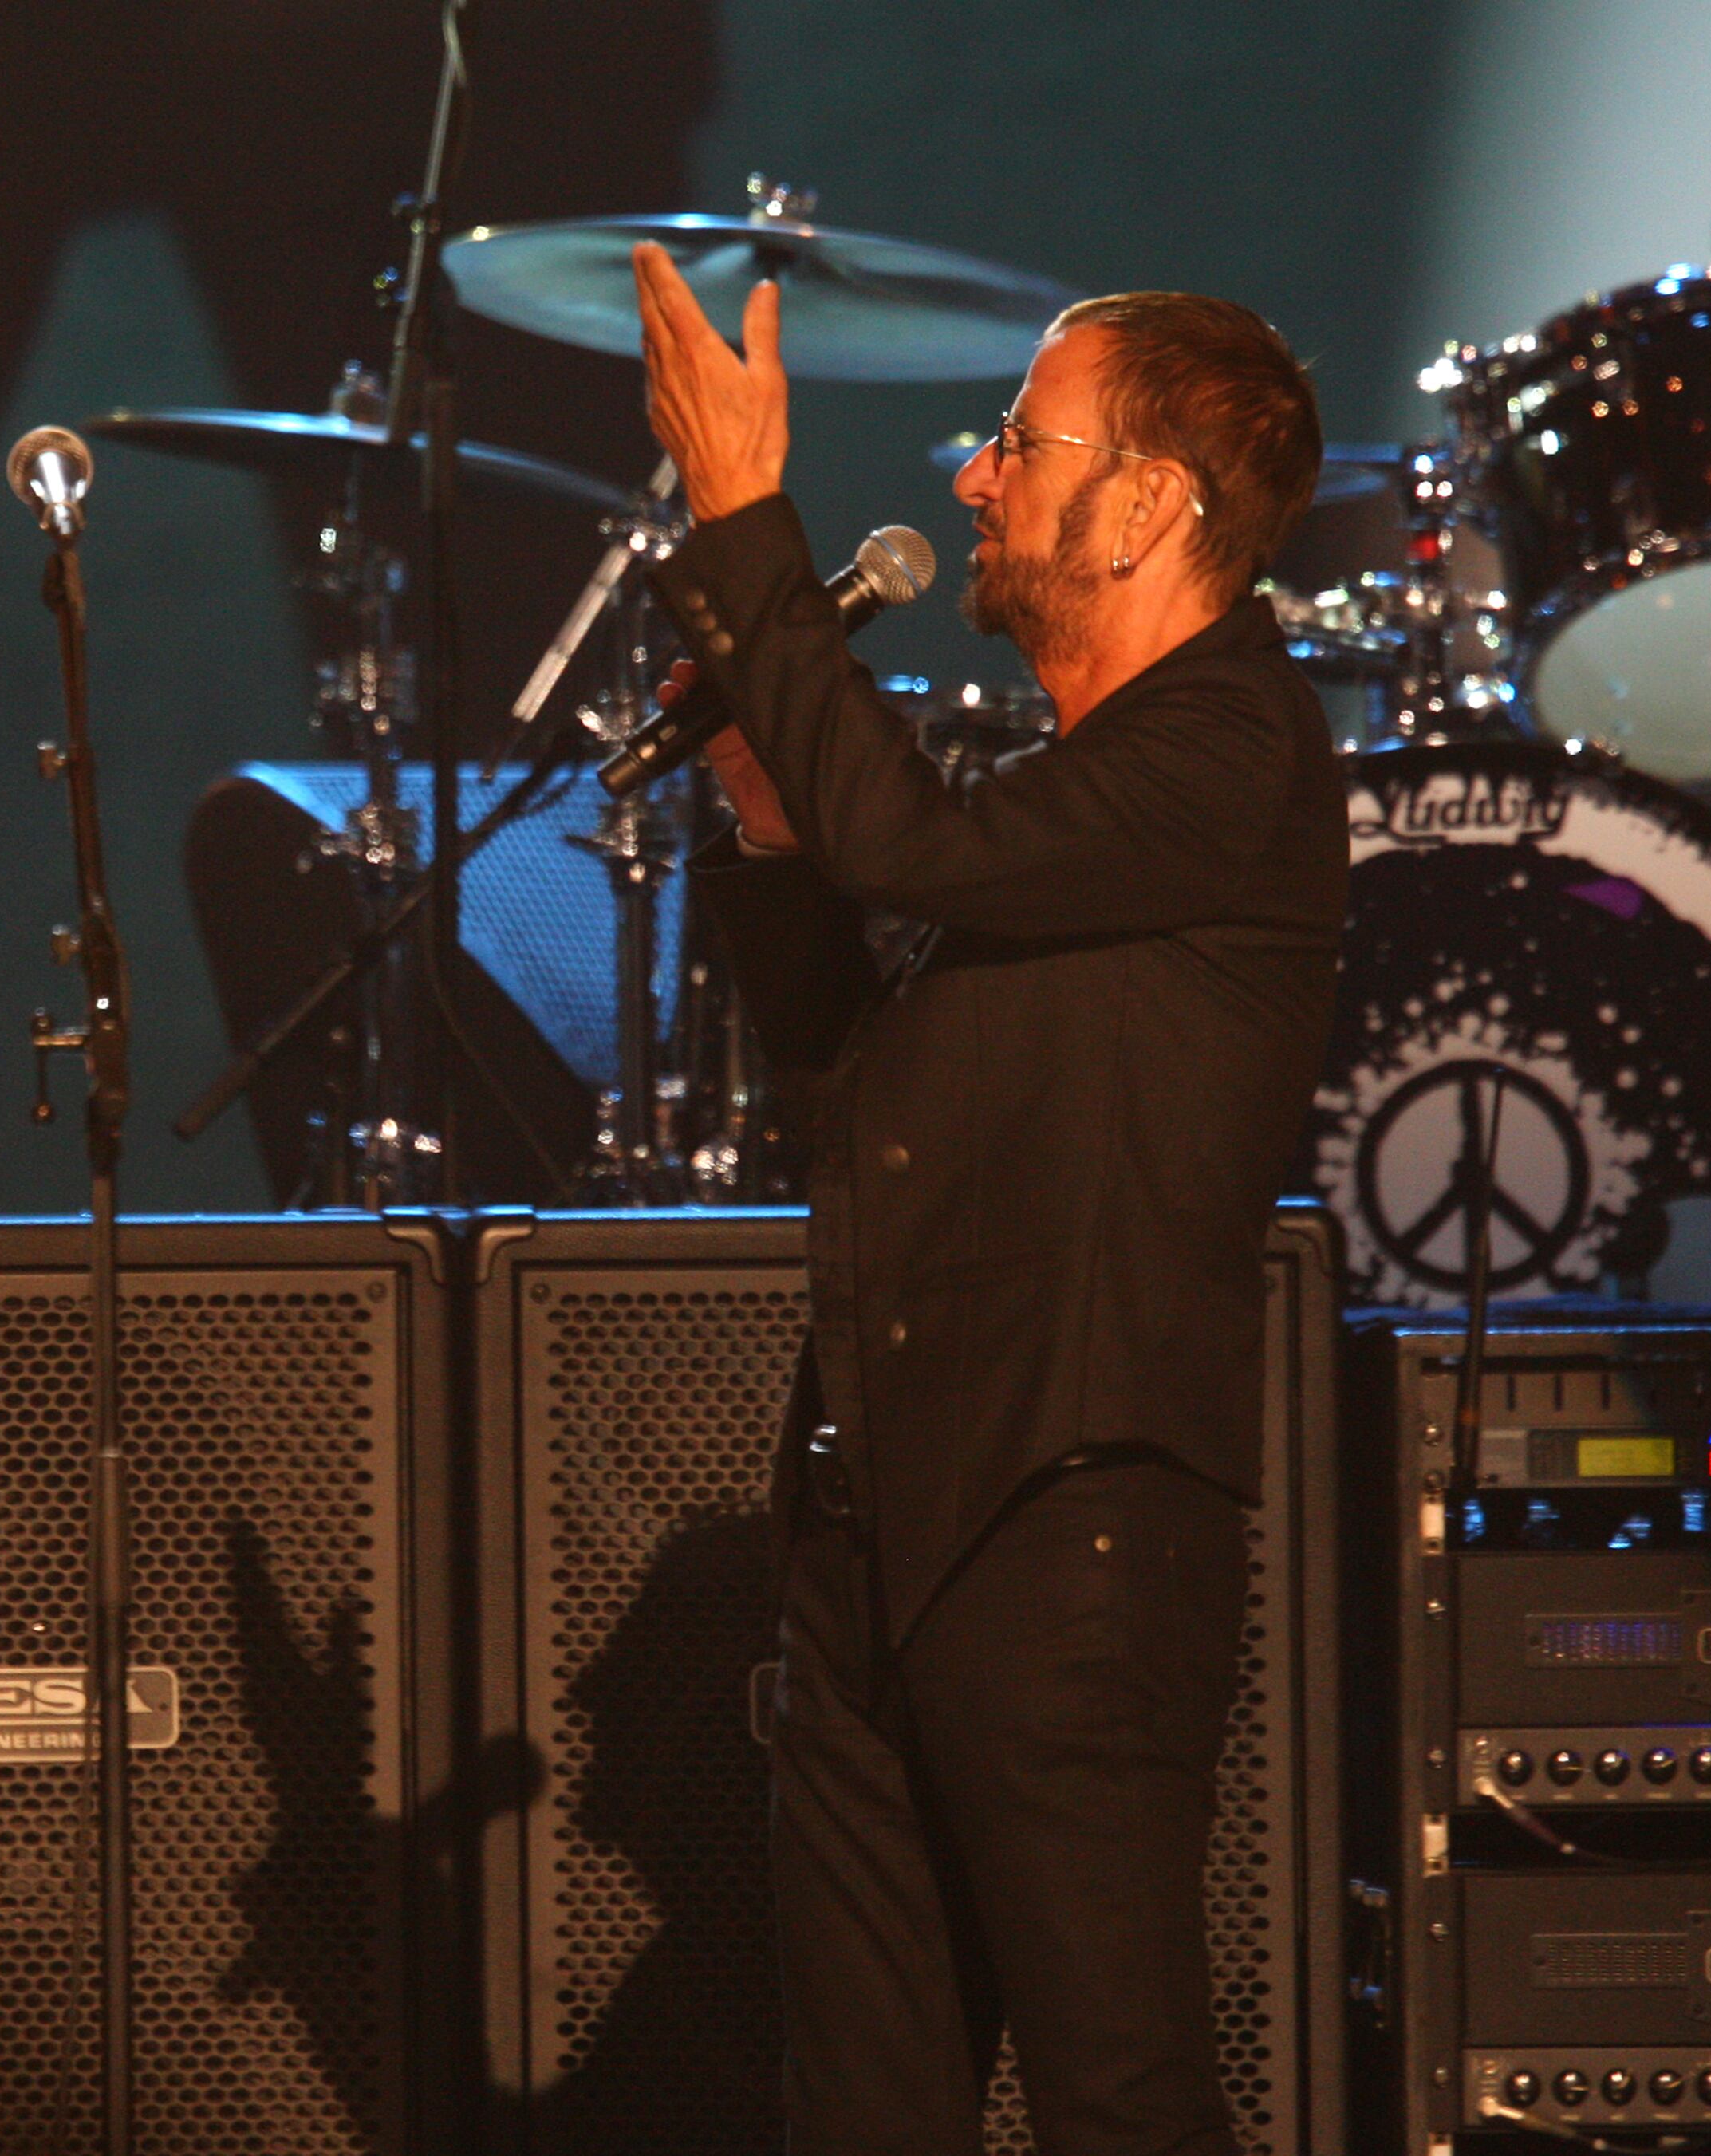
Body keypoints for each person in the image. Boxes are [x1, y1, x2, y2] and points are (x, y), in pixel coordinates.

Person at [629, 245, 1346, 2156]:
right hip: (882, 1527)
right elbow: (861, 1105)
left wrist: (742, 517)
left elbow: (912, 836)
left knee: (1118, 2092)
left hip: (1066, 1527)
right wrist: (779, 849)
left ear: (1148, 506)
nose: (973, 477)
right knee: (864, 2108)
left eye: (1021, 442)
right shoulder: (1068, 801)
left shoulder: (1232, 744)